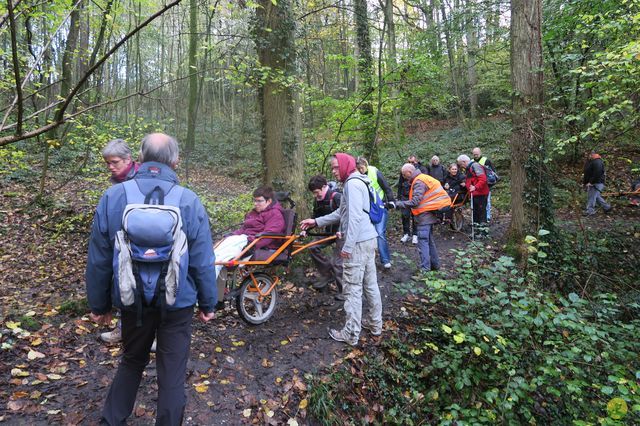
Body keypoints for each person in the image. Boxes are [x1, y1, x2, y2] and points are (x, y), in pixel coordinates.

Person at [86, 133, 217, 425]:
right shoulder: (189, 200)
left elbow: (98, 257)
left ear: (140, 159)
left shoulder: (114, 196)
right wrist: (209, 303)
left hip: (131, 298)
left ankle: (111, 421)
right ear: (176, 161)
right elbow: (202, 259)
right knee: (171, 373)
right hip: (178, 300)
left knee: (132, 361)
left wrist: (99, 305)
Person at [300, 153, 382, 346]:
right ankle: (375, 323)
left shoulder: (352, 185)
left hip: (359, 242)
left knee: (352, 288)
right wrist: (316, 221)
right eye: (333, 168)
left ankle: (351, 333)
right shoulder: (358, 181)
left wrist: (348, 245)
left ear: (346, 165)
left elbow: (353, 218)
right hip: (369, 238)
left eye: (336, 167)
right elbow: (341, 213)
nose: (334, 172)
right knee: (370, 284)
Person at [214, 186, 285, 307]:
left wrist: (250, 244)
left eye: (259, 201)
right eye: (255, 200)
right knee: (215, 259)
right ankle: (214, 297)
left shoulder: (275, 214)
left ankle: (209, 297)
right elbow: (243, 229)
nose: (256, 204)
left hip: (256, 244)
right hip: (244, 239)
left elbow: (269, 236)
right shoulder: (253, 213)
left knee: (219, 260)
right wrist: (230, 235)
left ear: (268, 201)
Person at [99, 139, 141, 346]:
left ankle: (153, 334)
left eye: (114, 162)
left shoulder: (140, 178)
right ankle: (125, 329)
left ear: (128, 160)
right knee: (124, 285)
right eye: (107, 163)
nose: (110, 167)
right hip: (122, 241)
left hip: (143, 241)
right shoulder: (119, 182)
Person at [390, 164, 450, 272]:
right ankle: (435, 266)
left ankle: (425, 269)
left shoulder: (418, 181)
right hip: (429, 215)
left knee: (423, 242)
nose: (403, 177)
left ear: (409, 172)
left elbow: (415, 201)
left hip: (424, 217)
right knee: (429, 241)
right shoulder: (423, 178)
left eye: (404, 174)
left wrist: (397, 204)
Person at [307, 175, 344, 296]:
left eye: (316, 192)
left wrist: (341, 230)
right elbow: (315, 217)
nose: (315, 195)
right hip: (329, 232)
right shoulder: (317, 200)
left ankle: (343, 294)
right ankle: (328, 273)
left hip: (342, 232)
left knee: (338, 263)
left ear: (324, 187)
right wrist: (306, 228)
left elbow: (346, 216)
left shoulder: (337, 197)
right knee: (312, 246)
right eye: (313, 193)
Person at [355, 157, 395, 269]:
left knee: (379, 232)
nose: (360, 170)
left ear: (365, 165)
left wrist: (391, 201)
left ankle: (385, 260)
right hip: (366, 208)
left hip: (379, 205)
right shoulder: (356, 176)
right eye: (358, 169)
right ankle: (369, 260)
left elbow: (386, 187)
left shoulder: (374, 171)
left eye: (361, 168)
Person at [457, 154, 489, 237]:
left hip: (481, 193)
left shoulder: (475, 166)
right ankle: (477, 231)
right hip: (474, 194)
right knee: (475, 213)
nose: (461, 167)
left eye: (461, 164)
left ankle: (483, 232)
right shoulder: (469, 168)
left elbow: (483, 179)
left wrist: (475, 187)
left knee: (481, 213)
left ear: (464, 162)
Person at [582, 151, 612, 216]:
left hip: (597, 182)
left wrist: (591, 182)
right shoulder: (590, 161)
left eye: (588, 155)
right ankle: (607, 207)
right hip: (593, 182)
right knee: (596, 196)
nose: (587, 156)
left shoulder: (597, 162)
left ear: (593, 154)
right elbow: (587, 173)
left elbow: (597, 173)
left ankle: (590, 211)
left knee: (591, 196)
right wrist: (585, 183)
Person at [472, 147, 496, 221]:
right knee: (476, 205)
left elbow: (492, 173)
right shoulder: (472, 161)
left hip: (486, 185)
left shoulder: (486, 161)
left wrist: (489, 184)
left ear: (480, 153)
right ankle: (478, 219)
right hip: (476, 186)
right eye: (474, 154)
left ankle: (487, 217)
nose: (475, 155)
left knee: (487, 202)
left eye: (477, 154)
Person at [397, 163, 418, 245]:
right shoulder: (403, 172)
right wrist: (399, 198)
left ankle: (415, 234)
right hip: (404, 196)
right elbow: (399, 185)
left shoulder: (417, 174)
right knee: (405, 215)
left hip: (414, 197)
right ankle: (406, 233)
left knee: (415, 216)